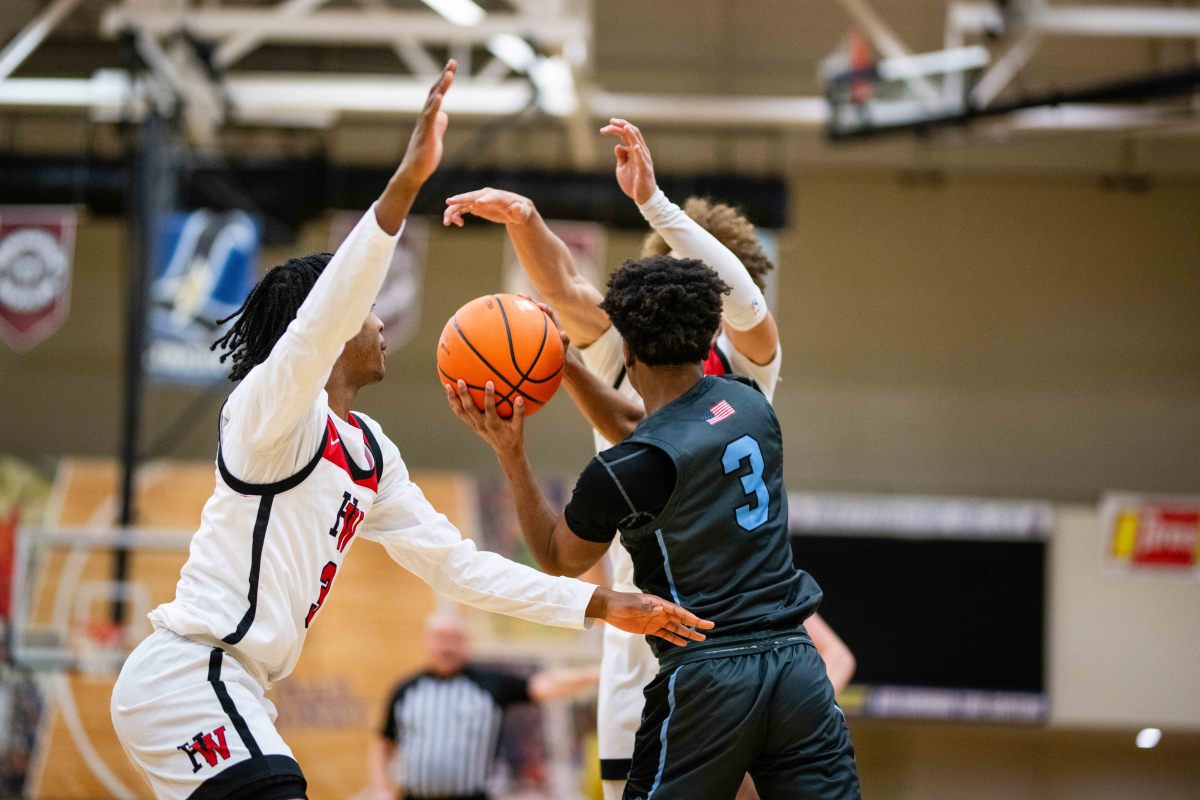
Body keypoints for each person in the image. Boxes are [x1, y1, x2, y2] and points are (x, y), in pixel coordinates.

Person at [109, 63, 711, 800]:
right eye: (366, 312)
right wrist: (405, 184)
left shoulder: (367, 451)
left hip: (237, 684)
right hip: (188, 673)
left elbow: (457, 568)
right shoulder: (266, 414)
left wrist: (596, 605)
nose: (380, 321)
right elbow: (326, 313)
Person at [443, 119, 855, 799]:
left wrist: (519, 438)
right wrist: (527, 224)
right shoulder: (746, 390)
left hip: (699, 646)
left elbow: (587, 513)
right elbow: (572, 299)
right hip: (703, 644)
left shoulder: (723, 377)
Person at [369, 611, 600, 800]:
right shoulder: (406, 690)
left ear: (466, 643)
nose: (447, 647)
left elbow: (545, 685)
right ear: (428, 642)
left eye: (454, 639)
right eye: (440, 638)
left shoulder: (490, 684)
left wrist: (596, 674)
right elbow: (383, 743)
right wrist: (381, 788)